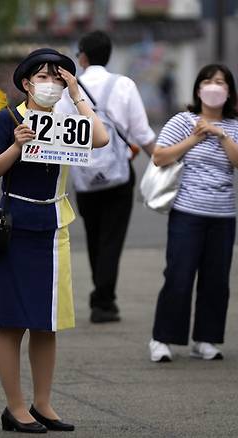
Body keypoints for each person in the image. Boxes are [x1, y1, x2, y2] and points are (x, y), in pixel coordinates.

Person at [0, 48, 108, 433]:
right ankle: (15, 407)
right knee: (11, 320)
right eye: (43, 77)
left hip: (54, 227)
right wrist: (17, 146)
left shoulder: (71, 119)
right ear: (25, 83)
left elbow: (101, 139)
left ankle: (43, 403)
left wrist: (76, 93)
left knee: (46, 322)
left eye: (58, 77)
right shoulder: (8, 119)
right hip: (14, 225)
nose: (51, 84)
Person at [148, 64, 238, 362]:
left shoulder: (236, 127)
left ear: (229, 91)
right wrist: (194, 137)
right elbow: (159, 156)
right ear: (198, 88)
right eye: (208, 81)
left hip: (223, 214)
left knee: (216, 279)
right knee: (178, 275)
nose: (214, 86)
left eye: (221, 82)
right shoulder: (183, 120)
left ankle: (206, 339)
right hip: (187, 212)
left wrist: (219, 134)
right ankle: (162, 339)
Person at [56, 30, 156, 323]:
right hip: (119, 176)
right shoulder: (124, 85)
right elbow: (142, 133)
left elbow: (60, 132)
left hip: (84, 177)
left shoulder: (67, 91)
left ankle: (101, 295)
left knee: (95, 237)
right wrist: (161, 161)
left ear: (83, 57)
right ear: (109, 55)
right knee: (112, 239)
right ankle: (103, 301)